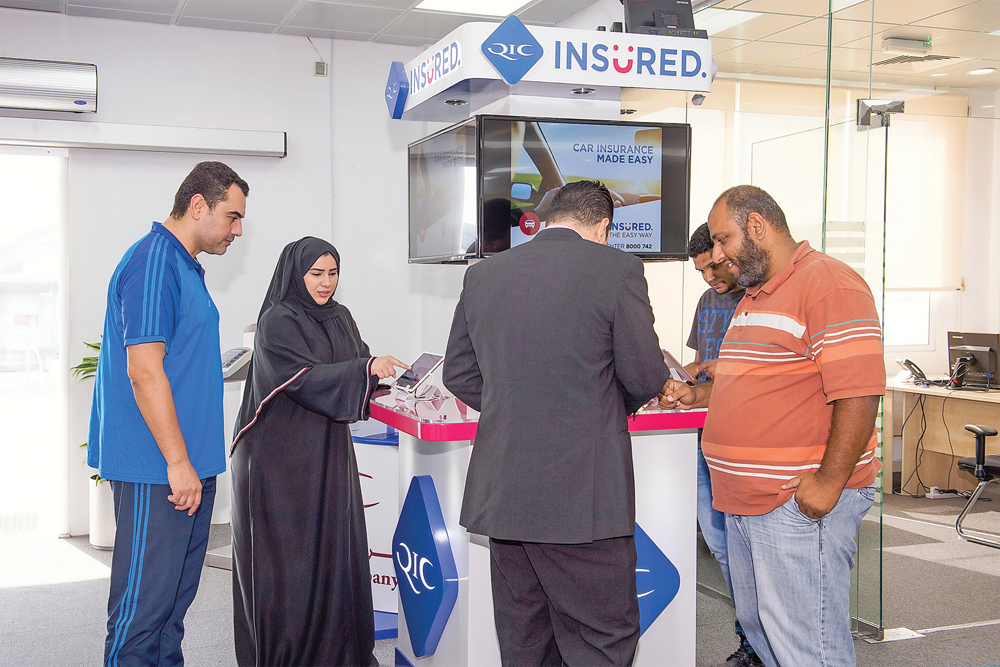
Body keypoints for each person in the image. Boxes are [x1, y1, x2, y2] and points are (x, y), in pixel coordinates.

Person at [444, 179, 669, 666]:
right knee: (601, 638)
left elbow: (458, 374)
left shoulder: (485, 273)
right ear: (604, 227)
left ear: (549, 218)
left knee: (525, 637)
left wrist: (520, 406)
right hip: (581, 500)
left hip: (503, 494)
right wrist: (598, 408)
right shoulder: (618, 269)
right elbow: (646, 374)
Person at [661, 185, 884, 667]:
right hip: (746, 503)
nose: (717, 255)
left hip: (794, 504)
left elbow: (860, 392)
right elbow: (751, 380)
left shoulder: (829, 284)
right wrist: (696, 394)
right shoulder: (756, 295)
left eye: (723, 241)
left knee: (808, 646)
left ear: (757, 226)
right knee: (764, 628)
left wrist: (827, 483)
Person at [88, 161, 249, 666]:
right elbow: (144, 370)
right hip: (157, 469)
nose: (237, 231)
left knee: (172, 612)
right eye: (232, 216)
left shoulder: (183, 265)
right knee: (142, 613)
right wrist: (177, 464)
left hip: (189, 467)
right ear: (198, 206)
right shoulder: (153, 260)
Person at [230, 237, 408, 667]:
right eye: (316, 274)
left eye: (332, 273)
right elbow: (303, 378)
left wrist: (393, 384)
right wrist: (364, 369)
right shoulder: (278, 320)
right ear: (297, 273)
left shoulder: (341, 317)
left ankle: (339, 654)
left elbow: (357, 364)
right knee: (290, 565)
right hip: (279, 461)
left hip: (327, 450)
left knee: (335, 553)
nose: (326, 283)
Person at [683, 223, 759, 667]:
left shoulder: (754, 300)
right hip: (702, 434)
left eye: (714, 268)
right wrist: (688, 372)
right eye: (702, 272)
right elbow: (699, 359)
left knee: (744, 550)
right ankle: (750, 639)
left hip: (739, 440)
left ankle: (755, 643)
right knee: (722, 548)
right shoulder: (709, 300)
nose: (710, 278)